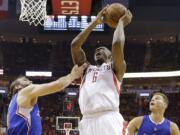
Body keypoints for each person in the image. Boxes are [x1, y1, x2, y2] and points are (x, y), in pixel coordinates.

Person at [71, 5, 132, 135]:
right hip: (86, 121)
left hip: (109, 118)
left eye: (103, 49)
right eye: (97, 50)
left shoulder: (115, 68)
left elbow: (116, 44)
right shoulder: (86, 69)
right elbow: (75, 45)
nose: (98, 50)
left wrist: (120, 23)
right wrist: (95, 22)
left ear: (111, 56)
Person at [7, 64, 87, 135]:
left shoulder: (13, 105)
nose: (30, 81)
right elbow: (57, 85)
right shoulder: (24, 92)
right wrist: (72, 75)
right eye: (25, 80)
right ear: (17, 87)